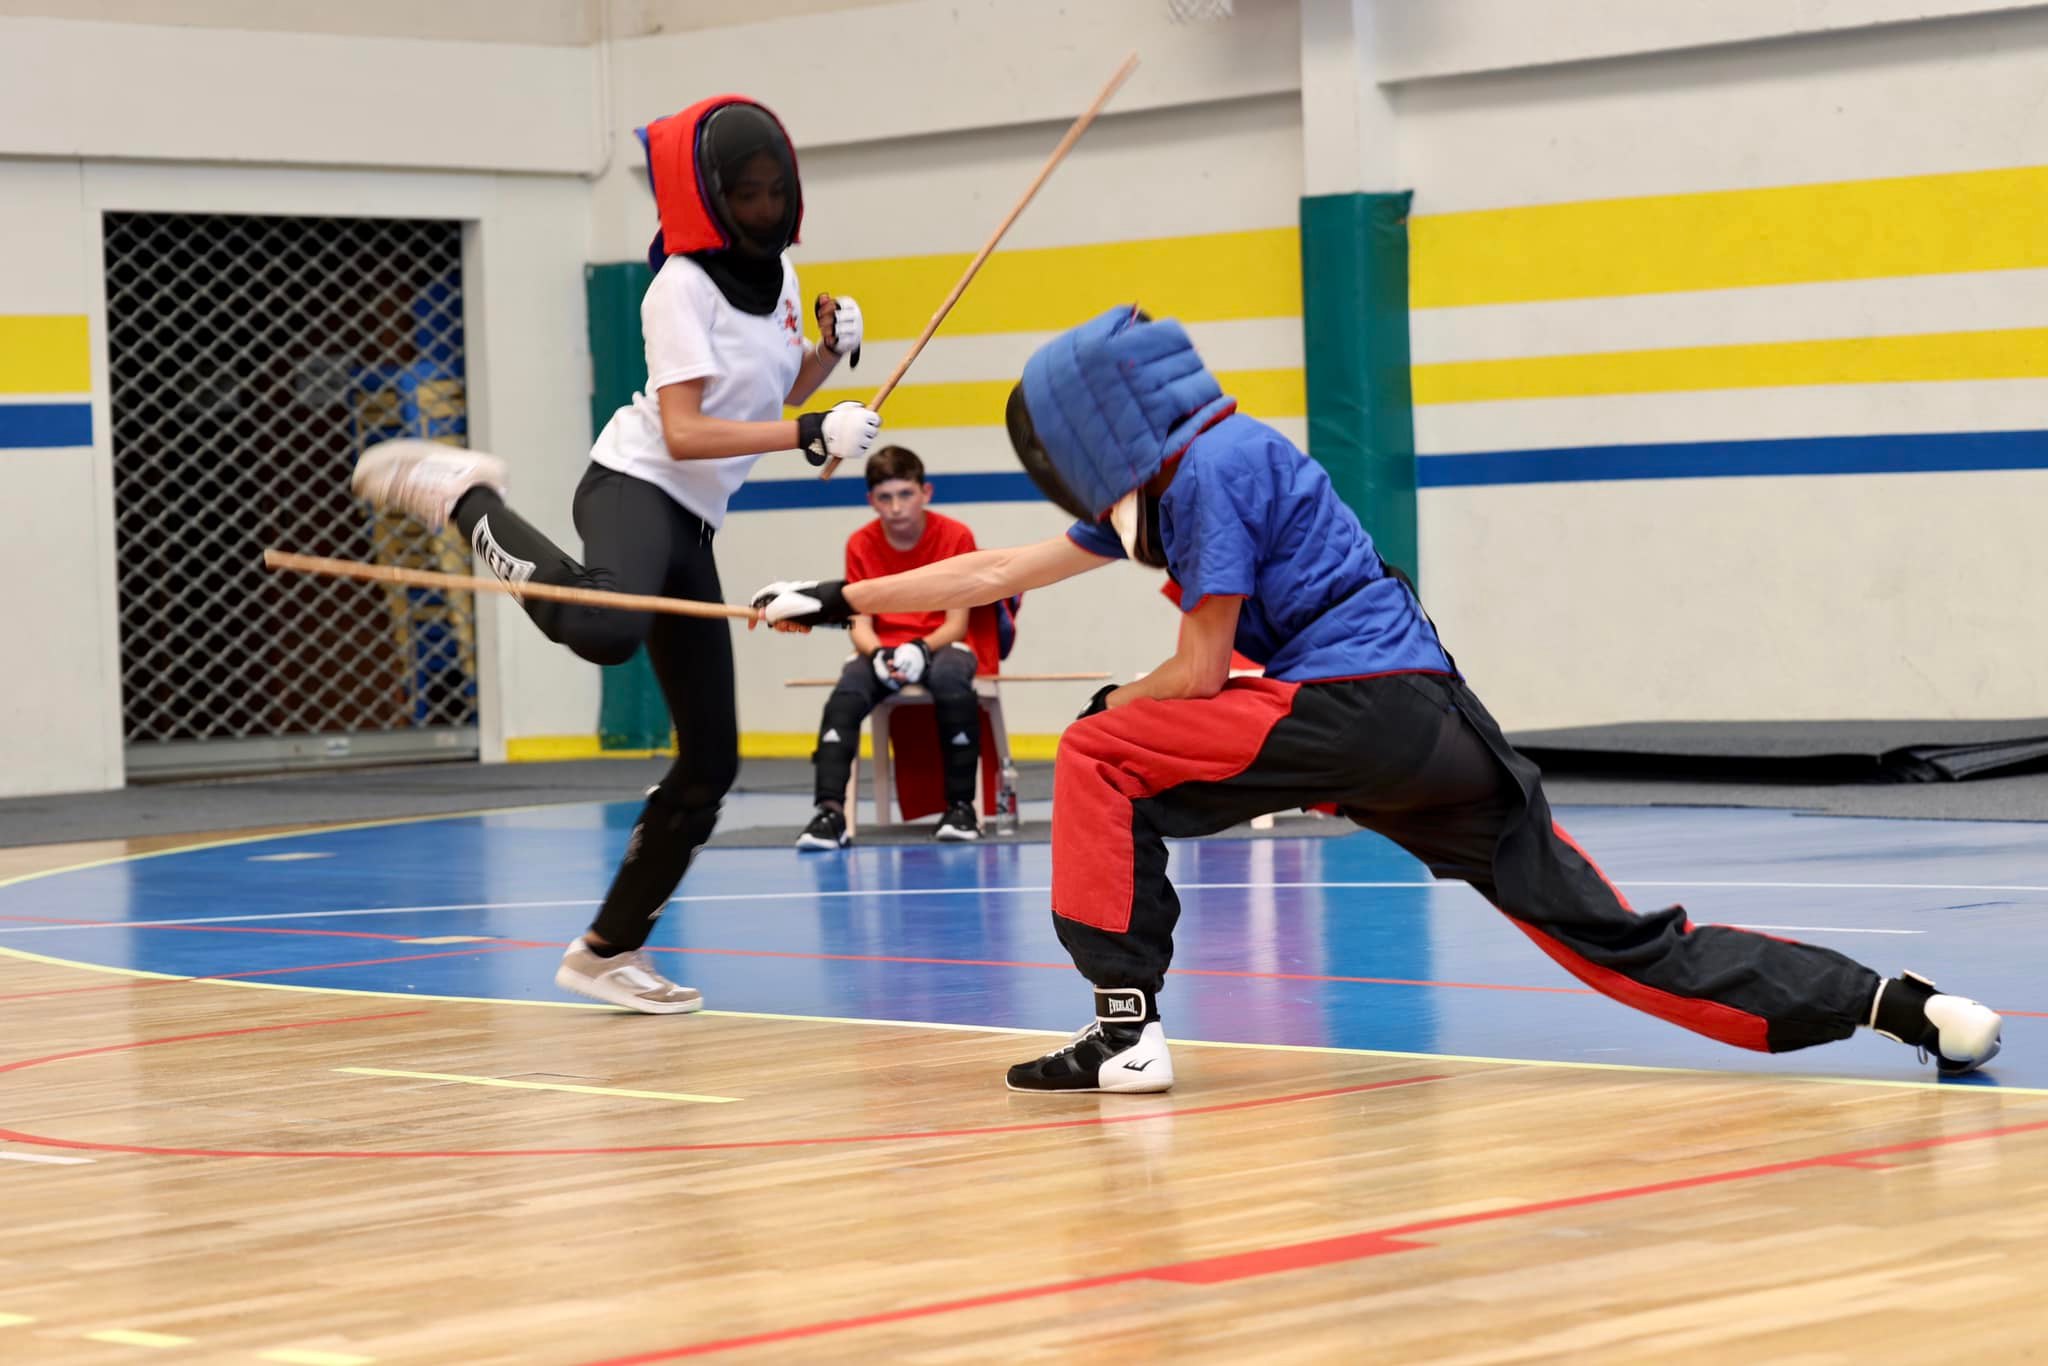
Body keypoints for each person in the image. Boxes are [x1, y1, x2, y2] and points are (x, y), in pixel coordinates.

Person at [751, 305, 2005, 1092]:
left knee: (1099, 750)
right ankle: (1905, 1006)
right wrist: (828, 593)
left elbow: (1192, 673)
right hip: (1435, 730)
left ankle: (1122, 1032)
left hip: (1346, 713)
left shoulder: (1210, 477)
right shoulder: (1197, 463)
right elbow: (997, 566)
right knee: (1618, 940)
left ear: (1096, 423)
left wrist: (1112, 700)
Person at [350, 95, 883, 1014]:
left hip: (695, 524)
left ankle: (606, 952)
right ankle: (464, 495)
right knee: (605, 629)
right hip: (636, 485)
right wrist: (809, 428)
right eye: (743, 194)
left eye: (772, 192)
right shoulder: (677, 287)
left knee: (713, 758)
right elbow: (682, 432)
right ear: (710, 200)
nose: (761, 208)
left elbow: (759, 407)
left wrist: (828, 365)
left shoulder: (785, 277)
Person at [797, 445, 991, 849]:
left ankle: (961, 808)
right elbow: (860, 623)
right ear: (872, 501)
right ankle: (829, 814)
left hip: (942, 644)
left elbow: (956, 624)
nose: (896, 507)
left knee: (952, 681)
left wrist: (920, 648)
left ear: (926, 493)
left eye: (905, 494)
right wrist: (878, 654)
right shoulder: (860, 544)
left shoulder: (956, 536)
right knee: (846, 695)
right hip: (883, 647)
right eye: (885, 498)